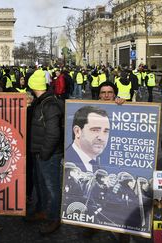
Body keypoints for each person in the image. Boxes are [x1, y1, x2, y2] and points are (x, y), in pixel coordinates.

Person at [28, 69, 64, 235]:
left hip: (48, 154)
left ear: (33, 86)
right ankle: (41, 210)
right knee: (41, 185)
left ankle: (53, 218)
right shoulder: (41, 101)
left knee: (52, 188)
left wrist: (44, 153)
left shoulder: (49, 104)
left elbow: (53, 133)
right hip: (40, 152)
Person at [65, 106, 110, 172]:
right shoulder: (67, 163)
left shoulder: (100, 168)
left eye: (106, 131)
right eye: (95, 130)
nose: (102, 138)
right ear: (77, 131)